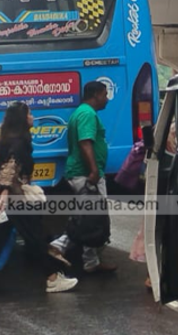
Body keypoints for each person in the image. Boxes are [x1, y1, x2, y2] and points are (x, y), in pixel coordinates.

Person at [0, 102, 78, 296]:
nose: (32, 116)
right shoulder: (19, 142)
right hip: (14, 199)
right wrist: (5, 195)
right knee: (35, 237)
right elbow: (9, 169)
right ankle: (53, 278)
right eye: (29, 113)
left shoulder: (7, 139)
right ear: (22, 119)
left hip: (6, 199)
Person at [50, 81, 117, 274]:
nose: (107, 99)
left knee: (90, 216)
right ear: (95, 94)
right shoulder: (87, 114)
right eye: (105, 95)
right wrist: (94, 171)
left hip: (81, 172)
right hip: (85, 174)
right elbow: (85, 143)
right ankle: (58, 245)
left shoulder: (82, 112)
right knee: (89, 218)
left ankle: (91, 262)